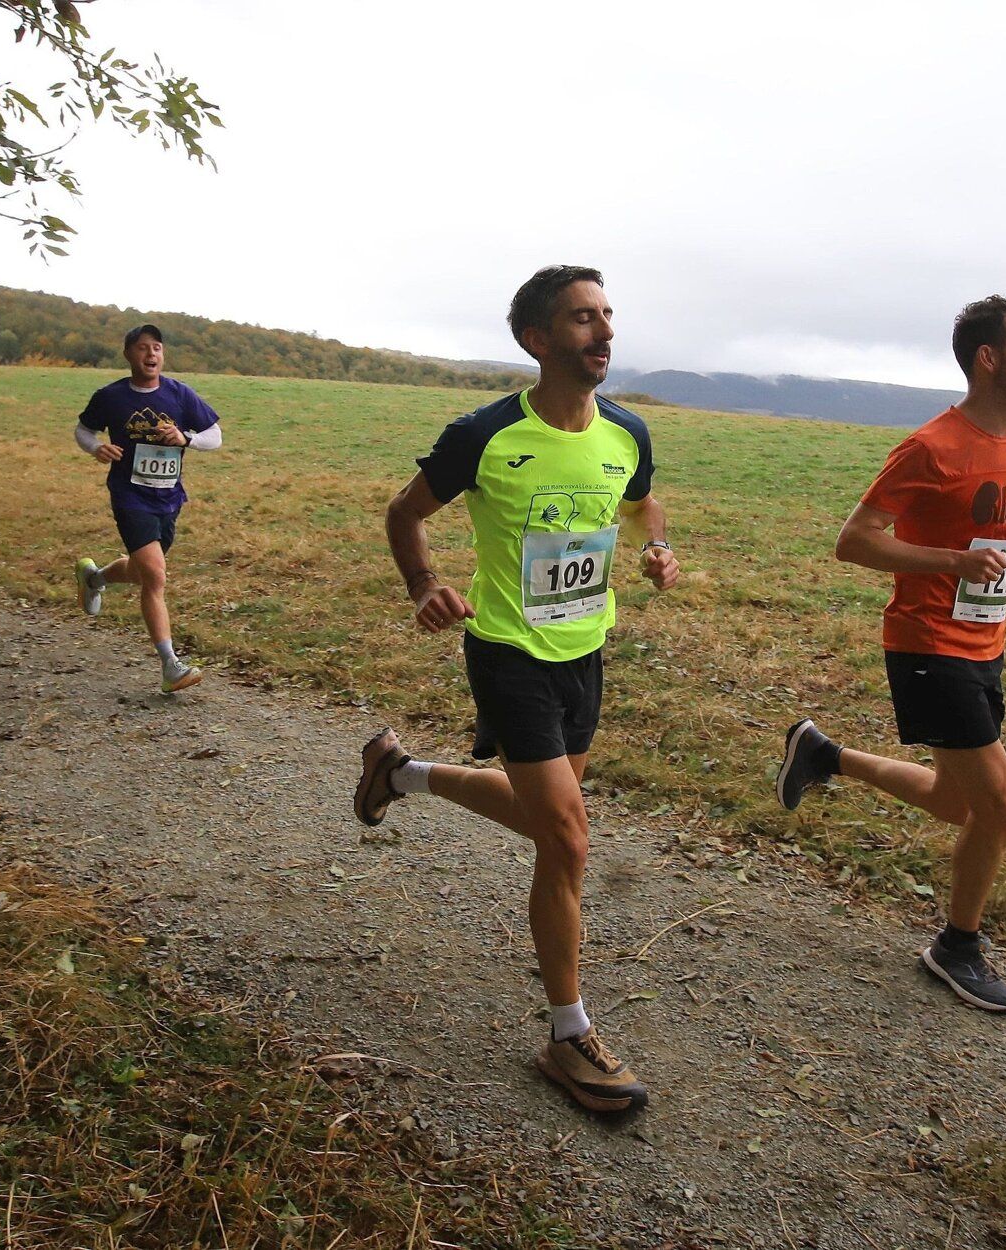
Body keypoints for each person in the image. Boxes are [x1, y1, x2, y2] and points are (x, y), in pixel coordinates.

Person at [353, 266, 680, 1113]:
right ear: (537, 340)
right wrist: (424, 584)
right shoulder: (484, 434)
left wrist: (657, 551)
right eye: (581, 319)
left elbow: (644, 504)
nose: (602, 332)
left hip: (585, 652)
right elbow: (404, 513)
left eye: (607, 314)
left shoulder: (627, 433)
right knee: (566, 838)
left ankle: (400, 774)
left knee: (547, 818)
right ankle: (569, 1036)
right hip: (507, 653)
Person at [777, 293, 1006, 1014]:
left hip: (985, 641)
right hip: (927, 644)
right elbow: (854, 540)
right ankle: (956, 946)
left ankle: (823, 757)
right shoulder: (930, 447)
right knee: (1000, 808)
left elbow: (997, 532)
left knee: (959, 802)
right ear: (989, 358)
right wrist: (950, 563)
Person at [70, 324, 223, 693]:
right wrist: (96, 448)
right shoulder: (111, 396)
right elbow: (83, 430)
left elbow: (215, 435)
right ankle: (171, 665)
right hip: (129, 495)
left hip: (168, 497)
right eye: (142, 348)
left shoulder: (180, 394)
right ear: (128, 354)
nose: (151, 354)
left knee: (142, 573)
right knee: (155, 576)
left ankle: (94, 578)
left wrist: (186, 437)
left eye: (157, 348)